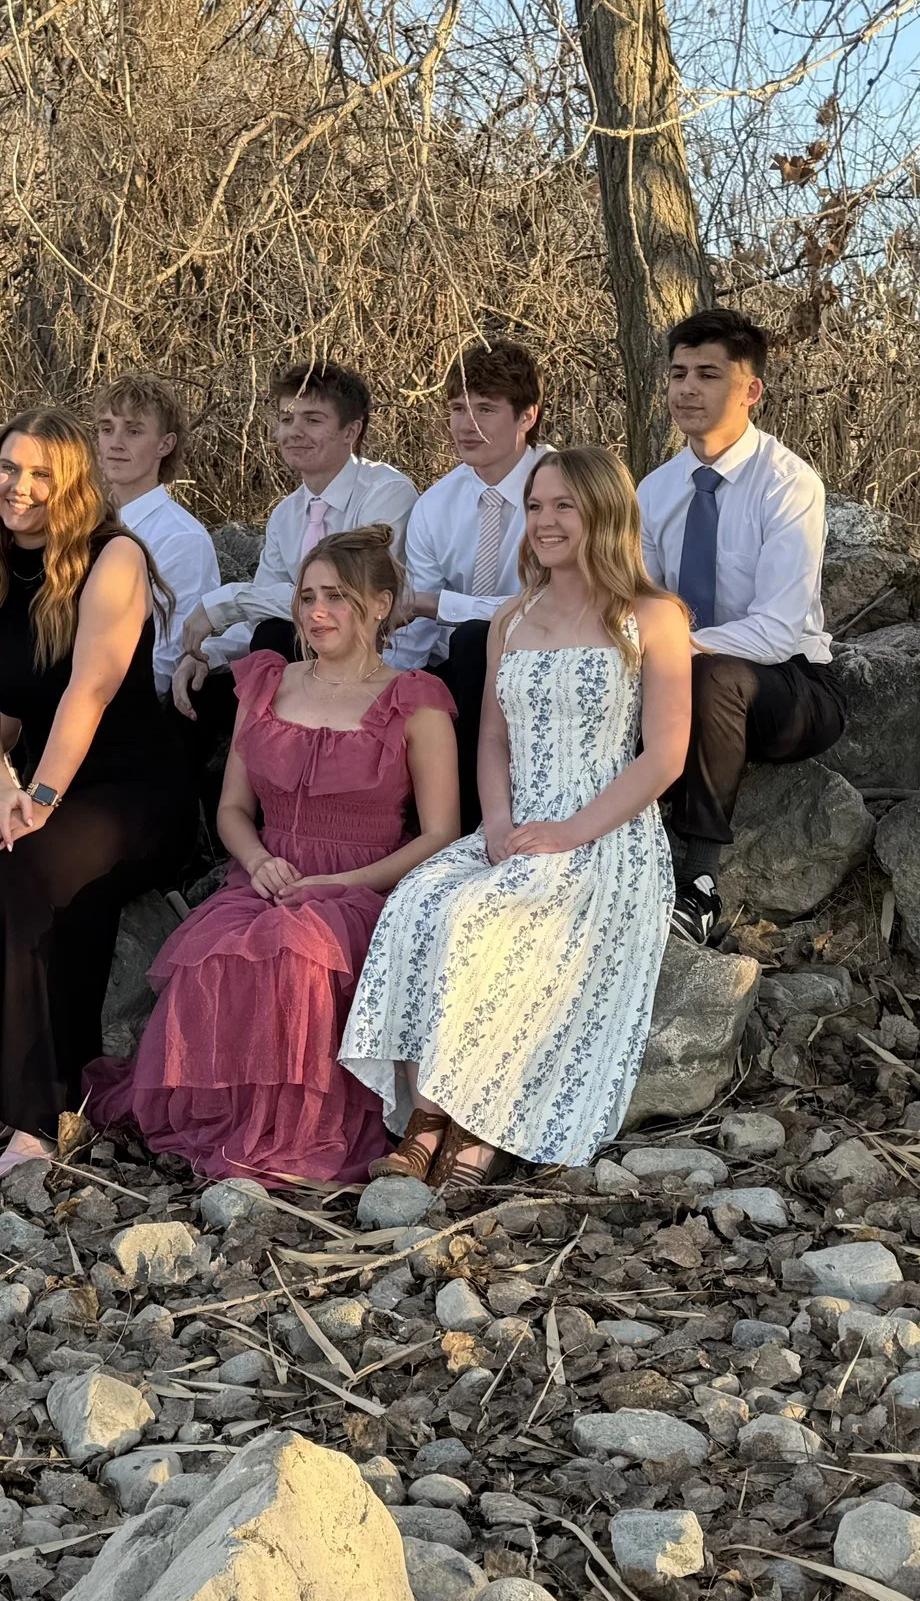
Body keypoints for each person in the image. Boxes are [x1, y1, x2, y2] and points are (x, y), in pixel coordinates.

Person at [338, 447, 692, 1187]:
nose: (546, 521)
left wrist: (570, 832)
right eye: (536, 506)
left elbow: (665, 756)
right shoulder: (512, 616)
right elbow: (494, 738)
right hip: (514, 822)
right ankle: (426, 1116)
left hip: (605, 832)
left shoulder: (651, 616)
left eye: (565, 505)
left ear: (605, 512)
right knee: (419, 901)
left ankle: (479, 1121)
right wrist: (496, 824)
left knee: (488, 918)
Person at [84, 529, 459, 1184]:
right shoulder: (266, 682)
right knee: (214, 953)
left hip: (364, 885)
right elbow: (232, 808)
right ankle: (226, 1124)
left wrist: (338, 881)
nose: (317, 612)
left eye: (336, 597)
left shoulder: (415, 699)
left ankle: (296, 1133)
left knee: (301, 959)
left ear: (380, 604)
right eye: (307, 597)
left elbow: (439, 833)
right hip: (268, 873)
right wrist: (257, 862)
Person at [0, 408, 195, 1178]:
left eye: (40, 474)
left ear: (72, 482)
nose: (18, 486)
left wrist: (41, 800)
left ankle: (36, 1110)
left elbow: (89, 689)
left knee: (20, 871)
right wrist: (1, 791)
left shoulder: (114, 557)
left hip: (131, 791)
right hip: (35, 783)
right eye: (8, 467)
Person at [634, 307, 846, 944]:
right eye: (678, 374)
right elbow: (639, 603)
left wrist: (667, 649)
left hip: (790, 687)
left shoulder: (788, 484)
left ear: (751, 390)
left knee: (715, 678)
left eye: (708, 375)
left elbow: (776, 631)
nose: (687, 389)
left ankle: (697, 882)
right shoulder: (654, 491)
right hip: (679, 673)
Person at [169, 359, 417, 717]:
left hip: (374, 656)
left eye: (313, 420)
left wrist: (228, 601)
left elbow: (349, 596)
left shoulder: (386, 493)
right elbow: (262, 606)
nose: (294, 432)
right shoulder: (286, 514)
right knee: (195, 691)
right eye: (287, 419)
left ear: (351, 431)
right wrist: (208, 653)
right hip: (307, 653)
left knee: (274, 637)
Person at [386, 341, 547, 829]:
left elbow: (550, 603)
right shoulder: (437, 503)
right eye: (458, 408)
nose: (465, 424)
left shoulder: (562, 490)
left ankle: (475, 824)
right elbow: (416, 625)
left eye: (485, 409)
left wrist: (441, 605)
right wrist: (383, 684)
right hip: (456, 667)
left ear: (526, 416)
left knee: (475, 639)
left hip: (546, 656)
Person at [95, 375, 219, 700]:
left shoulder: (182, 539)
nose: (115, 443)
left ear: (165, 444)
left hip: (124, 706)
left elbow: (165, 662)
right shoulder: (80, 524)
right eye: (107, 429)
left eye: (133, 431)